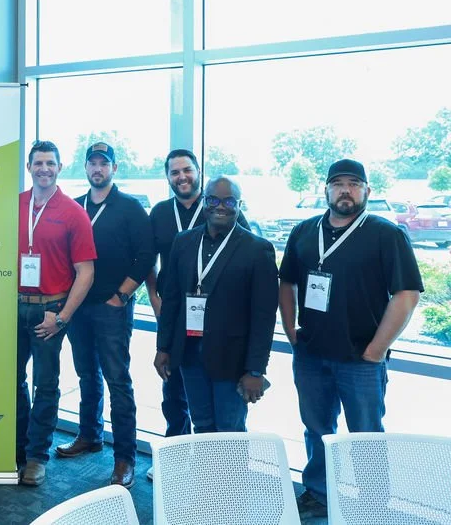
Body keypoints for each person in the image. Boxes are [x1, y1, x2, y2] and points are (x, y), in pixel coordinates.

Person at [279, 159, 423, 521]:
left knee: (366, 435)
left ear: (367, 191)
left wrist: (376, 349)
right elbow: (287, 282)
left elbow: (406, 294)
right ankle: (319, 492)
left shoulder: (386, 234)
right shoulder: (303, 231)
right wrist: (290, 328)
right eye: (338, 183)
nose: (346, 190)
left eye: (355, 184)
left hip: (361, 358)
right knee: (316, 429)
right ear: (325, 190)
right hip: (310, 354)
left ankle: (374, 504)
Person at [54, 142, 155, 490]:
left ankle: (124, 457)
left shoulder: (128, 207)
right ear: (84, 168)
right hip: (78, 306)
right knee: (86, 375)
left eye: (104, 164)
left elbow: (146, 255)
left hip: (112, 308)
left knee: (117, 380)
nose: (98, 169)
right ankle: (90, 435)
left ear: (114, 168)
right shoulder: (76, 205)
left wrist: (122, 295)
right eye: (92, 163)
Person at [144, 149, 250, 479]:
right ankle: (176, 454)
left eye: (187, 170)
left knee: (219, 397)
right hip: (175, 314)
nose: (181, 177)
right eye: (174, 172)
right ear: (168, 177)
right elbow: (149, 259)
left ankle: (222, 471)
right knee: (174, 388)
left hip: (217, 322)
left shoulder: (221, 207)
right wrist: (153, 297)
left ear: (198, 172)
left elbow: (246, 258)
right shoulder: (160, 212)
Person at [154, 176, 279, 434]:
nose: (220, 206)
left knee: (229, 430)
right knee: (201, 425)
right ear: (203, 203)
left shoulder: (258, 250)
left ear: (239, 204)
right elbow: (172, 300)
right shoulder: (184, 242)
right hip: (188, 353)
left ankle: (232, 477)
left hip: (232, 359)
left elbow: (264, 317)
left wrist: (255, 369)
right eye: (213, 200)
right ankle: (205, 476)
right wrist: (163, 347)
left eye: (229, 200)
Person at [17, 140, 96, 487]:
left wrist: (62, 317)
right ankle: (17, 448)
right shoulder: (15, 205)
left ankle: (36, 457)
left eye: (50, 163)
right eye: (38, 163)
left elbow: (86, 272)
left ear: (60, 167)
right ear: (29, 167)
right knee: (11, 381)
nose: (44, 168)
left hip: (50, 312)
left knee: (45, 385)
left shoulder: (73, 211)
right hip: (12, 306)